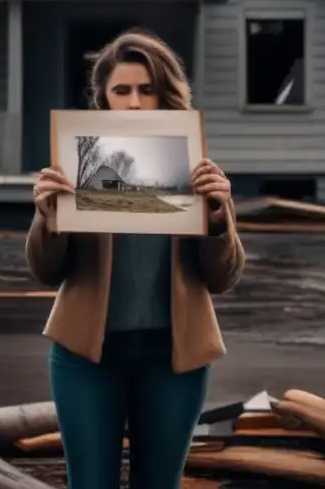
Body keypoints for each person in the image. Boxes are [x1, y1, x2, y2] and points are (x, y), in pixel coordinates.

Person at [25, 29, 245, 489]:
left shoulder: (196, 169)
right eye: (121, 90)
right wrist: (47, 217)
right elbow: (46, 271)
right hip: (86, 355)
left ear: (166, 93)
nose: (135, 103)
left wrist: (219, 215)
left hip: (173, 358)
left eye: (146, 89)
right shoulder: (79, 163)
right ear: (103, 98)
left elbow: (222, 277)